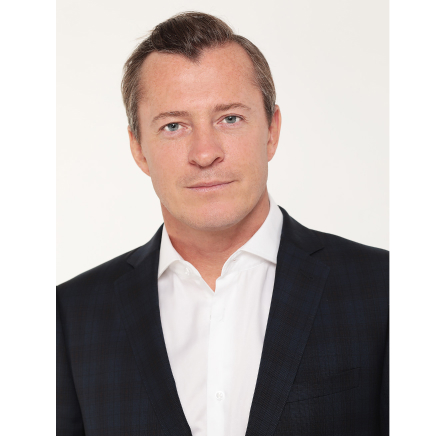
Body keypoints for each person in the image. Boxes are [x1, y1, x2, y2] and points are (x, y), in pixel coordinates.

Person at [57, 11, 389, 436]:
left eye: (229, 118)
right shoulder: (69, 317)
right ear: (138, 148)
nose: (205, 152)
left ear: (271, 130)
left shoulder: (386, 290)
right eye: (173, 125)